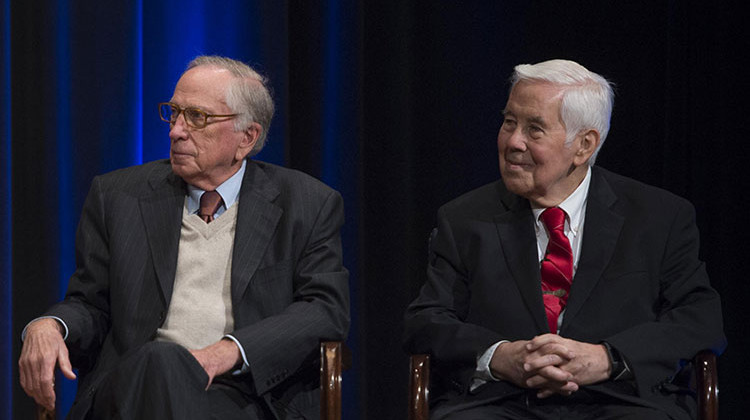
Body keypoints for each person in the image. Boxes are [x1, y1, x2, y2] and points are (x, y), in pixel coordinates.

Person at [18, 55, 350, 419]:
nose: (176, 130)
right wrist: (50, 325)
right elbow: (91, 304)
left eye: (197, 117)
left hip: (242, 397)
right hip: (130, 389)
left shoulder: (305, 203)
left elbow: (324, 311)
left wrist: (225, 352)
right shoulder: (117, 196)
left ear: (247, 137)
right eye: (174, 113)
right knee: (159, 363)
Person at [403, 59, 725, 420]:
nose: (513, 142)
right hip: (502, 402)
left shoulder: (659, 217)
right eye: (509, 122)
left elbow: (700, 318)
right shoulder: (463, 218)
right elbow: (426, 321)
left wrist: (607, 358)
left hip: (621, 400)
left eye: (534, 129)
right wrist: (499, 355)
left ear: (584, 146)